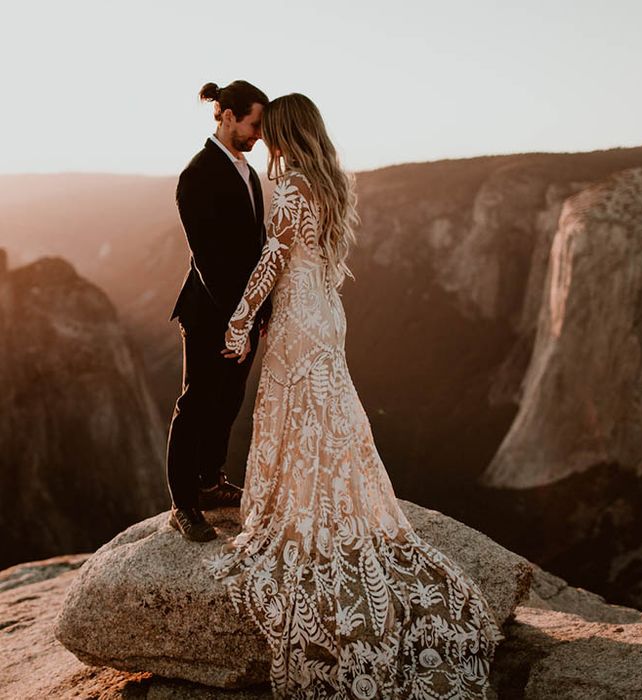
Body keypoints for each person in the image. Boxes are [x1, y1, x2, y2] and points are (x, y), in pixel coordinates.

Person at [206, 93, 503, 698]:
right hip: (327, 311)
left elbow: (273, 258)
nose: (264, 140)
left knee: (293, 407)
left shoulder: (289, 187)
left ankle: (301, 508)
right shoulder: (334, 182)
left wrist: (239, 320)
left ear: (287, 131)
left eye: (271, 131)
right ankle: (323, 494)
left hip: (298, 315)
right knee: (327, 410)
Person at [166, 80, 273, 542]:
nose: (258, 136)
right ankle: (183, 503)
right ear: (227, 116)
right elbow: (209, 260)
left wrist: (260, 309)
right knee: (195, 403)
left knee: (228, 400)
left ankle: (211, 482)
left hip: (243, 313)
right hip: (211, 311)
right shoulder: (196, 175)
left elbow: (256, 245)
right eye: (254, 125)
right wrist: (238, 322)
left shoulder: (248, 173)